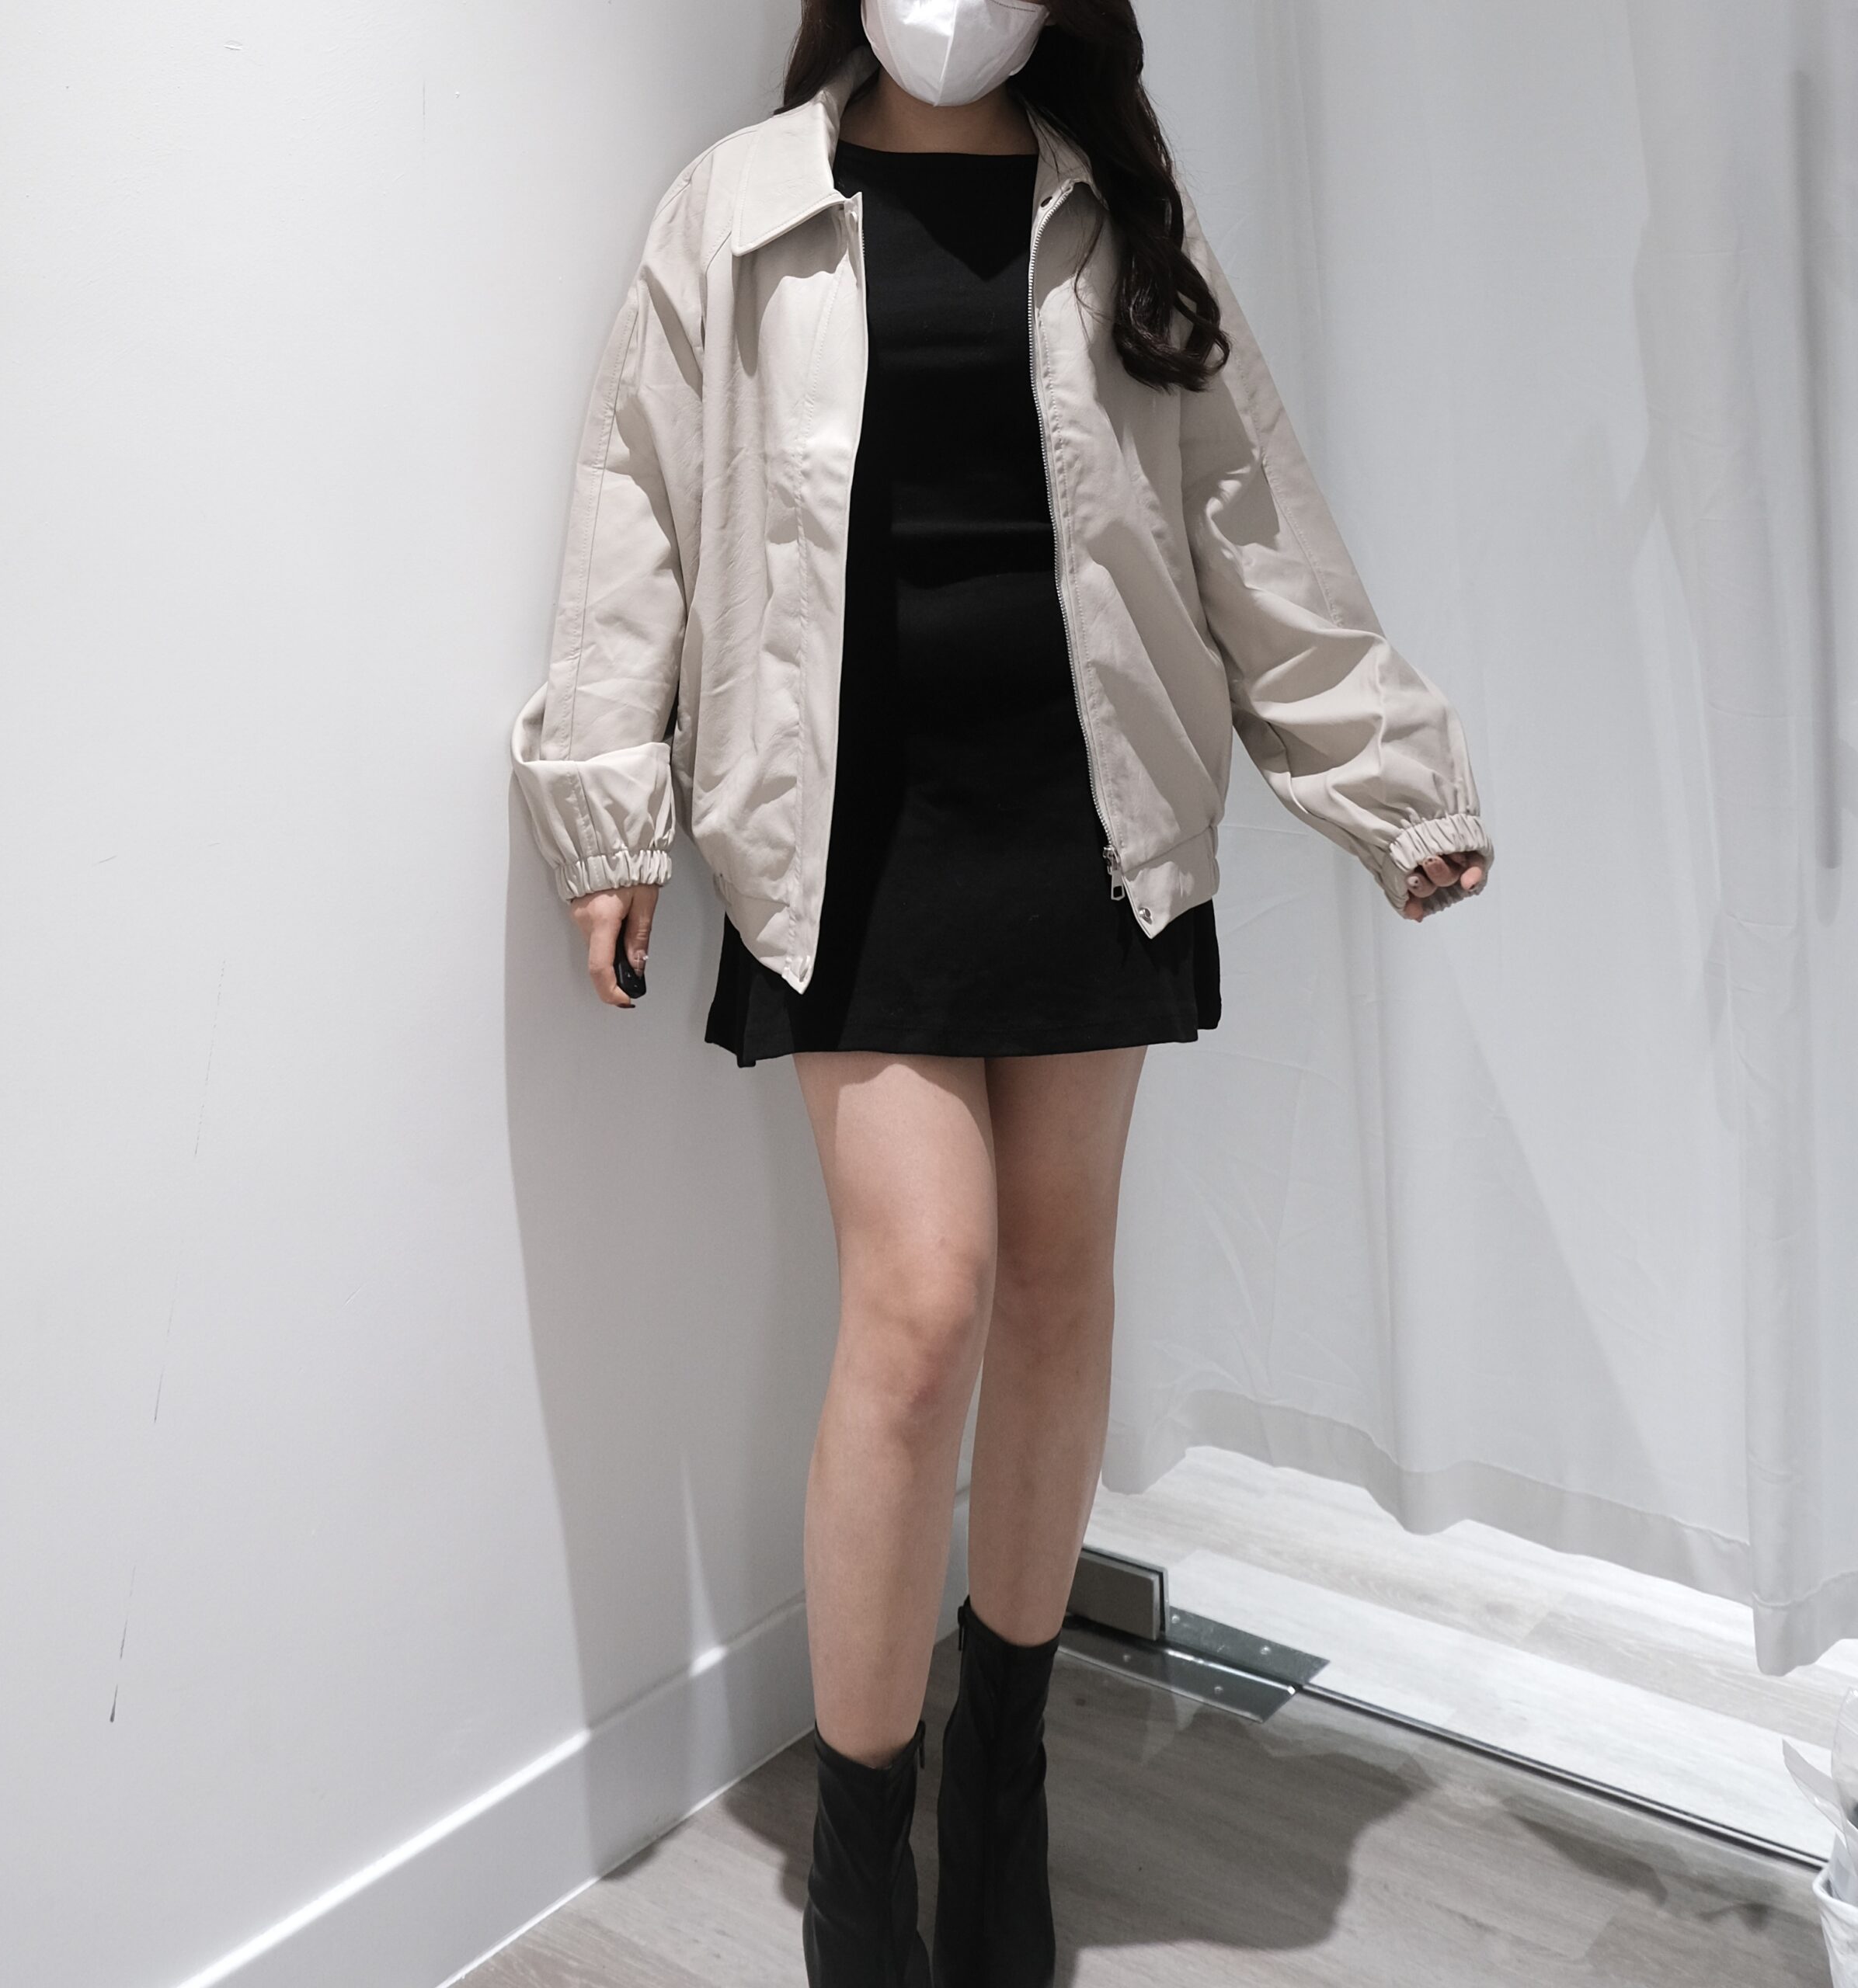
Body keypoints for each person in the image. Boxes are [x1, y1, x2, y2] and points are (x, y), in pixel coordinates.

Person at [512, 1, 1491, 1979]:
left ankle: (1005, 1784)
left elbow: (1243, 512)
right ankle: (860, 1850)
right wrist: (608, 807)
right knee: (922, 1299)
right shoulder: (737, 205)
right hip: (840, 819)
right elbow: (638, 502)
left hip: (1084, 804)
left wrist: (1390, 779)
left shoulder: (1117, 208)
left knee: (1052, 1284)